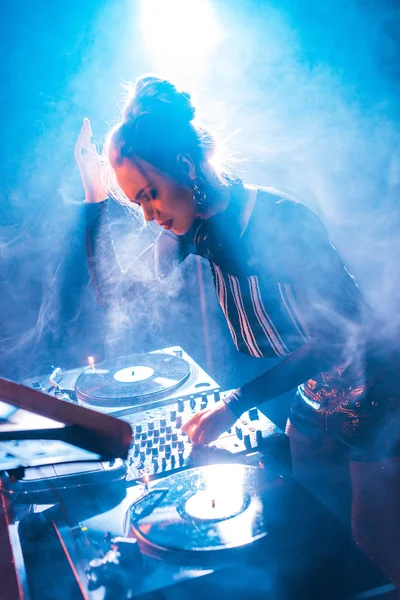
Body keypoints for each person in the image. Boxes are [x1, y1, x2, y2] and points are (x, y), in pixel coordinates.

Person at [75, 75, 400, 589]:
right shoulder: (193, 228)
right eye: (137, 202)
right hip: (316, 393)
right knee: (315, 532)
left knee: (377, 547)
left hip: (378, 387)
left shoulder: (281, 219)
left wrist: (234, 404)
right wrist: (94, 200)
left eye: (151, 194)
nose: (149, 214)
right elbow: (114, 295)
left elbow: (340, 338)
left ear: (184, 167)